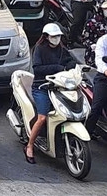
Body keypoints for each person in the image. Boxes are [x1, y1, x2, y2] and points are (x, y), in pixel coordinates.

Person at [25, 23, 76, 163]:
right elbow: (37, 69)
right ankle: (29, 146)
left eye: (58, 36)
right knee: (42, 118)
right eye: (53, 36)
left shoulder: (61, 49)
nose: (56, 39)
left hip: (59, 86)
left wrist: (72, 64)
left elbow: (70, 60)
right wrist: (58, 68)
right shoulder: (39, 49)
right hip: (41, 87)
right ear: (46, 37)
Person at [80, 0, 107, 65]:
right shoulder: (91, 23)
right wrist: (92, 45)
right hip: (93, 56)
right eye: (105, 8)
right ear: (100, 9)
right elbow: (84, 39)